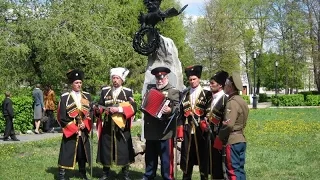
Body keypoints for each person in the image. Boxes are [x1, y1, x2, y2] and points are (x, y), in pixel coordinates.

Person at [95, 67, 137, 180]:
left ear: (122, 80)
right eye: (113, 78)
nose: (115, 80)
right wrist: (98, 109)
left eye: (117, 78)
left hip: (122, 127)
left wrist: (119, 110)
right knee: (106, 148)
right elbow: (100, 106)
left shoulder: (127, 92)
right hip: (108, 126)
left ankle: (126, 174)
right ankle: (105, 173)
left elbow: (133, 108)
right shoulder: (105, 91)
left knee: (123, 149)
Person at [141, 67, 180, 180]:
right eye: (157, 78)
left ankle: (167, 177)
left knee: (166, 158)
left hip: (165, 131)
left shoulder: (173, 91)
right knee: (150, 157)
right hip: (151, 131)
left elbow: (177, 108)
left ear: (166, 78)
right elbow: (145, 105)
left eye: (161, 78)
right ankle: (148, 175)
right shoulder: (151, 89)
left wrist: (170, 110)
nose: (159, 81)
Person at [177, 65, 212, 180]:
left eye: (194, 79)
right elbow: (181, 114)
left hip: (201, 132)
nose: (192, 82)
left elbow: (209, 112)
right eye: (190, 79)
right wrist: (180, 131)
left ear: (199, 79)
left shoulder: (207, 94)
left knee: (203, 157)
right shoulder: (184, 94)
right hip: (188, 131)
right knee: (187, 158)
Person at [57, 69, 92, 180]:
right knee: (66, 153)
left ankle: (82, 173)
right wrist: (74, 128)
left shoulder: (87, 96)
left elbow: (89, 114)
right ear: (72, 84)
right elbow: (61, 117)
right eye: (76, 83)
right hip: (71, 130)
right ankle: (62, 175)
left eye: (80, 83)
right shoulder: (65, 97)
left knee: (82, 153)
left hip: (83, 130)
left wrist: (85, 124)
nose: (79, 85)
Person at [217, 71, 249, 180]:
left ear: (230, 86)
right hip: (241, 138)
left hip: (232, 141)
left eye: (226, 84)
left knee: (232, 172)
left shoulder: (232, 102)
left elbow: (229, 124)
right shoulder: (241, 101)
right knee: (239, 170)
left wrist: (220, 136)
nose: (224, 86)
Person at [206, 71, 229, 180]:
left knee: (220, 165)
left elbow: (226, 120)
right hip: (209, 136)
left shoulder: (225, 99)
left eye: (212, 83)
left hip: (219, 137)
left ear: (220, 85)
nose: (210, 85)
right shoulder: (210, 98)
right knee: (212, 164)